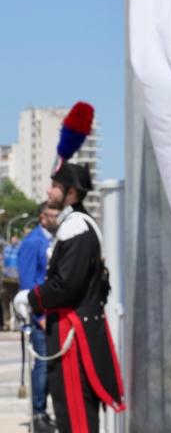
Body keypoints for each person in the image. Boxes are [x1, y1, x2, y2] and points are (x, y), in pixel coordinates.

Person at [14, 161, 124, 432]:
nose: (48, 191)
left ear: (71, 192)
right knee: (67, 410)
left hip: (74, 334)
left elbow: (66, 285)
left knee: (76, 416)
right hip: (68, 332)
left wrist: (31, 299)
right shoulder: (72, 225)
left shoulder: (77, 227)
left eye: (54, 186)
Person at [17, 202, 60, 432]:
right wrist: (39, 315)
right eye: (54, 214)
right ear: (43, 217)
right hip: (41, 317)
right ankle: (38, 412)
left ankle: (46, 411)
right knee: (42, 366)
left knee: (52, 365)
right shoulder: (33, 242)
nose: (57, 217)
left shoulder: (52, 240)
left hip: (54, 314)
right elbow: (27, 283)